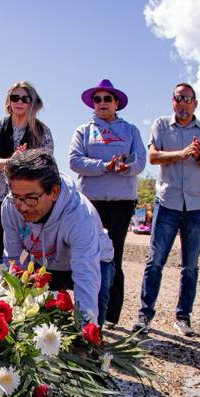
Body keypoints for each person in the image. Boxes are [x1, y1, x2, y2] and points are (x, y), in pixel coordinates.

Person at [134, 82, 200, 336]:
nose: (182, 102)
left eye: (187, 98)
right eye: (178, 98)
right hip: (168, 202)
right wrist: (181, 153)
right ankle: (145, 314)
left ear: (195, 103)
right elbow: (153, 157)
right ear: (172, 101)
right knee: (155, 261)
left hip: (196, 205)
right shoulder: (161, 125)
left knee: (190, 265)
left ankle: (183, 318)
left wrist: (196, 156)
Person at [2, 148, 114, 326]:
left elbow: (86, 276)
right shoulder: (10, 206)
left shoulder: (79, 214)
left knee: (91, 318)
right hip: (46, 262)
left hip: (94, 261)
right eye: (16, 196)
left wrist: (85, 331)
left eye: (31, 198)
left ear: (54, 192)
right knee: (42, 318)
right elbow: (14, 259)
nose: (22, 207)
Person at [69, 79, 147, 326]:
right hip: (90, 203)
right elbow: (75, 161)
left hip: (120, 202)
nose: (102, 103)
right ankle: (85, 311)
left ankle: (111, 315)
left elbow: (140, 161)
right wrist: (105, 166)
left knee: (114, 257)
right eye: (98, 99)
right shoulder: (83, 131)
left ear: (116, 103)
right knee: (85, 255)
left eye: (107, 99)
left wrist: (124, 168)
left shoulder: (131, 130)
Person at [0, 81, 53, 262]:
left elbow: (47, 162)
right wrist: (11, 162)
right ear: (9, 101)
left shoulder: (42, 131)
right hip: (1, 195)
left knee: (32, 243)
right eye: (15, 97)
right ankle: (4, 283)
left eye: (25, 98)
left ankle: (30, 285)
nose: (19, 101)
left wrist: (23, 162)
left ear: (33, 103)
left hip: (31, 196)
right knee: (5, 243)